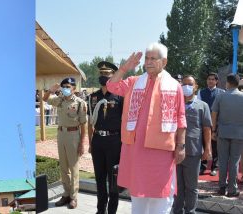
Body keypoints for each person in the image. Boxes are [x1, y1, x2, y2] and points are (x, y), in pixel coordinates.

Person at [106, 42, 187, 214]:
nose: (148, 62)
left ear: (164, 62)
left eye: (153, 59)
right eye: (147, 58)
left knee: (161, 197)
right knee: (138, 198)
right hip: (136, 150)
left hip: (162, 152)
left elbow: (181, 118)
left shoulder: (174, 86)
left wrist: (181, 146)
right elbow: (111, 86)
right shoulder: (134, 82)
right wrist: (124, 68)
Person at [42, 77, 87, 209]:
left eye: (68, 87)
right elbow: (45, 99)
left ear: (74, 88)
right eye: (64, 87)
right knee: (63, 167)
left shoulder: (80, 103)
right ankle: (66, 194)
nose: (66, 89)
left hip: (74, 135)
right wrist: (50, 90)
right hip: (61, 134)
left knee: (73, 168)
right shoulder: (60, 100)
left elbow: (83, 125)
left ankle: (74, 197)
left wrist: (82, 143)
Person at [172, 75, 212, 214]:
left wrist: (207, 149)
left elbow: (207, 129)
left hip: (193, 152)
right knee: (178, 185)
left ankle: (190, 211)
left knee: (191, 186)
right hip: (175, 150)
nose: (187, 86)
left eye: (190, 84)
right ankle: (177, 210)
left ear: (195, 87)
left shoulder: (203, 106)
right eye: (184, 84)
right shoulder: (175, 104)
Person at [87, 61, 123, 214]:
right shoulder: (92, 97)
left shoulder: (120, 96)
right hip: (98, 141)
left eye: (107, 74)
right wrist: (90, 143)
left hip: (114, 141)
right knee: (100, 179)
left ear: (113, 75)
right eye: (101, 74)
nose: (103, 77)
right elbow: (90, 122)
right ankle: (100, 210)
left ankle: (112, 211)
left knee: (113, 179)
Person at [212, 74, 243, 197]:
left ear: (228, 83)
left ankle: (221, 187)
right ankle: (232, 189)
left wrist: (213, 130)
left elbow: (214, 114)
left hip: (223, 132)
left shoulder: (220, 96)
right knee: (234, 161)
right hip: (239, 134)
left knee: (223, 160)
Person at [197, 72, 225, 176]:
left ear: (217, 81)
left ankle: (214, 167)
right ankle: (203, 166)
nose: (210, 81)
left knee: (215, 147)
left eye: (213, 79)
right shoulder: (201, 92)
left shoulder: (222, 92)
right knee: (203, 145)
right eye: (209, 79)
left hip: (217, 124)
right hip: (203, 123)